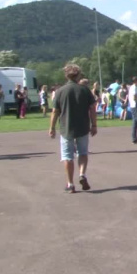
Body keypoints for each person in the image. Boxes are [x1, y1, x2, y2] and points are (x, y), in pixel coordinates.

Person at [48, 64, 97, 193]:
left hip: (66, 128)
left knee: (67, 156)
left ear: (66, 76)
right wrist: (94, 125)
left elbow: (55, 111)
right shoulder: (85, 90)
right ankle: (82, 174)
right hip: (82, 127)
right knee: (83, 153)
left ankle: (70, 183)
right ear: (78, 75)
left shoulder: (60, 91)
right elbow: (92, 108)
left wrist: (52, 127)